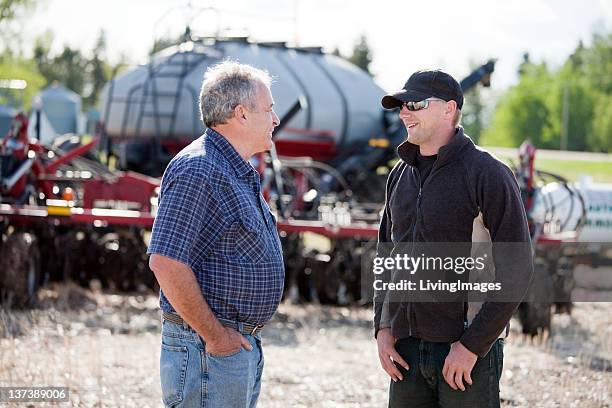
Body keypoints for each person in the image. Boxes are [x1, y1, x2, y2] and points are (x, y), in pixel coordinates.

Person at [374, 69, 533, 407]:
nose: (404, 112)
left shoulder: (488, 174)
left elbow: (517, 269)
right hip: (405, 351)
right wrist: (383, 329)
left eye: (414, 104)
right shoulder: (400, 174)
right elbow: (386, 255)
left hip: (465, 351)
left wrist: (473, 345)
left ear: (448, 109)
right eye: (401, 105)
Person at [148, 60, 284, 408]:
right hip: (209, 349)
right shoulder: (200, 168)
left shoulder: (231, 169)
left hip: (229, 347)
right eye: (268, 109)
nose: (276, 119)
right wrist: (216, 337)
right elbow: (166, 263)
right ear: (241, 114)